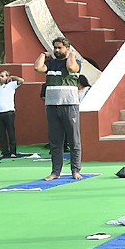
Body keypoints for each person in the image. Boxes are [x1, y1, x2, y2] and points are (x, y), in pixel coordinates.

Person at [33, 37, 83, 180]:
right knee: (55, 141)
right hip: (52, 106)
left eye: (60, 47)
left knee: (74, 140)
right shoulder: (50, 63)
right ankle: (55, 172)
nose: (56, 50)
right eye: (55, 47)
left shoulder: (75, 62)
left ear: (67, 48)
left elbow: (72, 68)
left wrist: (72, 54)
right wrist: (43, 55)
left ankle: (75, 170)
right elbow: (37, 67)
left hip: (69, 105)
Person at [0, 71, 24, 158]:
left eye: (2, 76)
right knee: (1, 134)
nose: (0, 78)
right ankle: (4, 151)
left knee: (10, 132)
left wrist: (13, 76)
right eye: (0, 76)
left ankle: (13, 151)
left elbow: (21, 80)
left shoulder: (11, 85)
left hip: (8, 112)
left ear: (7, 77)